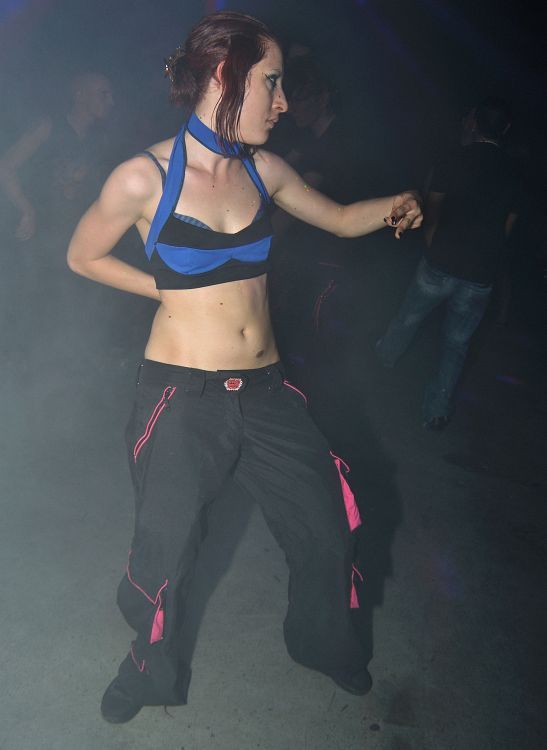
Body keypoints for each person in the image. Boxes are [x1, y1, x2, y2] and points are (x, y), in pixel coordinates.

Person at [66, 11, 422, 724]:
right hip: (180, 394)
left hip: (266, 389)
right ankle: (145, 672)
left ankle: (323, 644)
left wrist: (400, 205)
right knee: (168, 553)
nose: (283, 101)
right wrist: (165, 288)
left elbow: (341, 217)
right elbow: (82, 256)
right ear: (226, 77)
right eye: (272, 82)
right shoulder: (144, 177)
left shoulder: (265, 170)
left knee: (327, 525)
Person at [376, 97, 520, 430]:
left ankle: (382, 362)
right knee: (457, 344)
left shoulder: (454, 158)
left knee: (408, 318)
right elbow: (507, 228)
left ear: (473, 122)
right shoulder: (515, 172)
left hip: (440, 263)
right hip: (479, 274)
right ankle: (437, 410)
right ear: (506, 129)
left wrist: (434, 249)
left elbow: (433, 212)